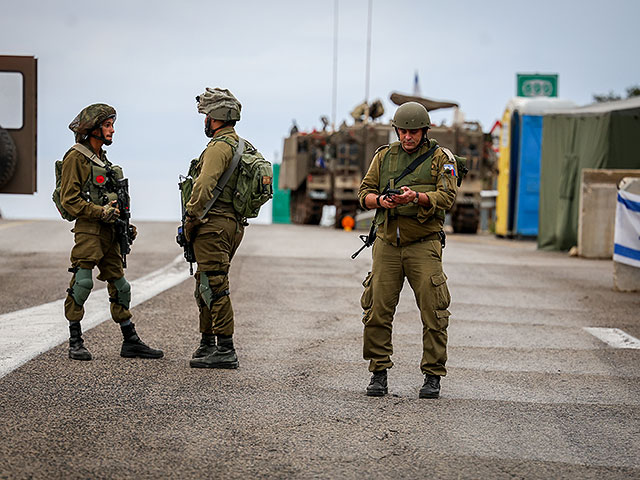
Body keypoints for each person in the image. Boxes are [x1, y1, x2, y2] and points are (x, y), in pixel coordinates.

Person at [358, 101, 458, 398]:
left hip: (423, 243)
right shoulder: (383, 157)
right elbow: (364, 193)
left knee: (434, 311)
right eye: (403, 132)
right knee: (376, 309)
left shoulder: (441, 159)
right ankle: (378, 372)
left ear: (424, 131)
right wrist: (381, 202)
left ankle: (432, 375)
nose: (408, 137)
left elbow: (447, 197)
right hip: (387, 243)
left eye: (413, 132)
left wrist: (416, 197)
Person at [60, 103, 163, 361]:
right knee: (82, 282)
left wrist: (124, 225)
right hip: (89, 230)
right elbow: (69, 200)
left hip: (110, 232)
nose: (112, 130)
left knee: (121, 286)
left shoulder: (104, 161)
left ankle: (130, 341)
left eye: (111, 125)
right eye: (107, 125)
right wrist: (100, 212)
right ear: (93, 129)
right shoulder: (76, 157)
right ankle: (75, 340)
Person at [183, 88, 250, 369]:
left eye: (208, 115)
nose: (206, 120)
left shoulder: (219, 147)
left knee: (215, 285)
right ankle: (207, 343)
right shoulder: (241, 145)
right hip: (230, 224)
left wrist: (190, 218)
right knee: (206, 283)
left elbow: (203, 187)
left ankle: (225, 348)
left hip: (213, 225)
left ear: (217, 117)